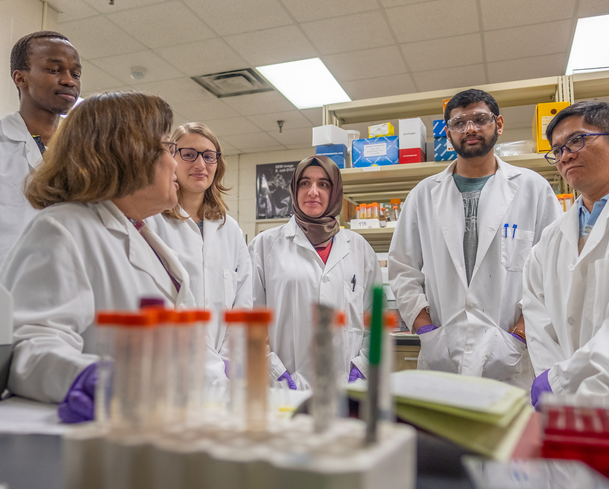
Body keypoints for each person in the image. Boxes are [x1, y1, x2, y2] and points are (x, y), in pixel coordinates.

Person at [0, 91, 196, 422]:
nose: (175, 163)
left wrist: (219, 369)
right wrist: (89, 376)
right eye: (167, 148)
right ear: (129, 153)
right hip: (98, 437)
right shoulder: (63, 227)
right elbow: (30, 346)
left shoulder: (143, 233)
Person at [388, 89, 562, 389]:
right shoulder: (423, 194)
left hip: (511, 358)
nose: (470, 128)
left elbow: (553, 270)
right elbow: (402, 269)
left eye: (480, 119)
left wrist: (519, 334)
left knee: (508, 434)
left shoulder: (533, 188)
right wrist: (425, 328)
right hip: (442, 354)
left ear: (499, 123)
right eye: (459, 123)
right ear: (448, 132)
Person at [523, 101, 609, 410]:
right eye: (556, 150)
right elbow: (537, 316)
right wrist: (553, 377)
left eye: (576, 141)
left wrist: (564, 380)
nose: (565, 156)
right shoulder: (551, 238)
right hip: (565, 407)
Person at [249, 156, 381, 390]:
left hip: (347, 384)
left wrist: (363, 365)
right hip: (284, 383)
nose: (313, 191)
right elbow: (250, 318)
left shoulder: (359, 248)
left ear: (335, 191)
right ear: (294, 189)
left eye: (323, 184)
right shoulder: (265, 246)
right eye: (304, 183)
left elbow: (376, 317)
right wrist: (273, 371)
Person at [146, 122, 252, 369]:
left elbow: (243, 303)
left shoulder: (230, 230)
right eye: (189, 154)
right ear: (171, 158)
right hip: (169, 363)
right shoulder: (152, 221)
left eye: (209, 156)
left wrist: (226, 361)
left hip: (225, 366)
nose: (200, 164)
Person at [0, 31, 81, 266]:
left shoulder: (89, 153)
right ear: (20, 78)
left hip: (73, 286)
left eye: (75, 73)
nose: (69, 81)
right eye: (54, 70)